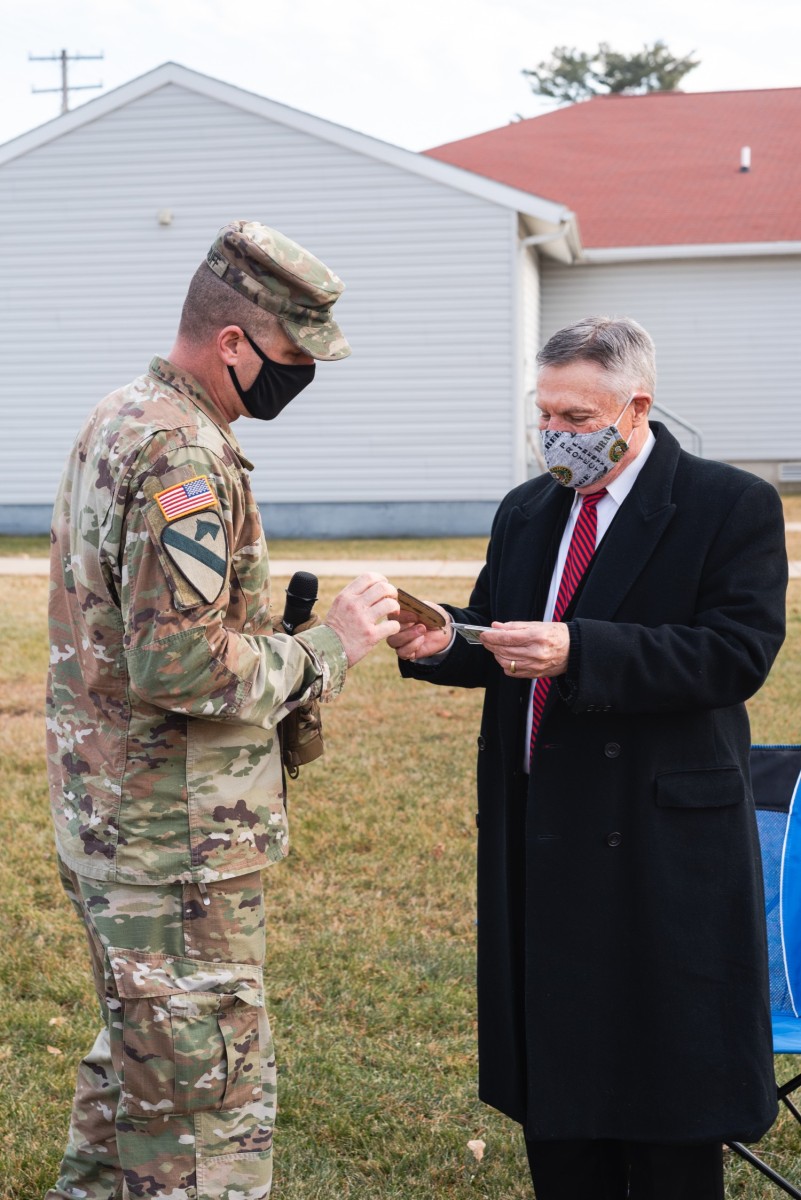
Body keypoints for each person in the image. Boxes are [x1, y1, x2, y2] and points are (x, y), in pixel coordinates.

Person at [390, 316, 787, 1200]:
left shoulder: (731, 506)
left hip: (658, 838)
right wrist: (434, 643)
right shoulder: (527, 510)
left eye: (575, 418)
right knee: (561, 1083)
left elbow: (735, 654)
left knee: (664, 1087)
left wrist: (583, 650)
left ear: (634, 407)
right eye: (544, 415)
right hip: (544, 828)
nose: (554, 436)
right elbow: (498, 638)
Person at [45, 219, 400, 1200]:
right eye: (292, 357)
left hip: (115, 821)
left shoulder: (122, 416)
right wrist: (331, 645)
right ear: (233, 344)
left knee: (138, 1074)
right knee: (206, 1115)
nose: (303, 379)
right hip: (173, 843)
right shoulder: (182, 457)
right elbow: (180, 664)